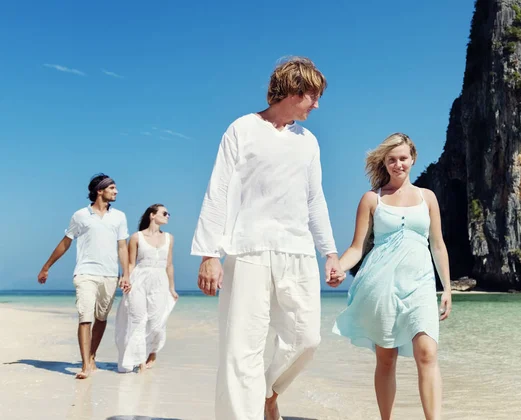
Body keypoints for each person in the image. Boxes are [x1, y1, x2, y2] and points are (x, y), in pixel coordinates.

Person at [191, 56, 345, 420]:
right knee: (240, 351)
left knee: (306, 339)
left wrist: (330, 251)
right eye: (313, 95)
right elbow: (218, 190)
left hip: (297, 251)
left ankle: (268, 391)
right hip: (248, 250)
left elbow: (314, 199)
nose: (317, 105)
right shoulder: (241, 129)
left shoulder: (308, 142)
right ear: (294, 89)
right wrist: (209, 253)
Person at [333, 133, 452, 420]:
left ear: (413, 159)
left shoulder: (428, 198)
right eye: (392, 160)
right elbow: (358, 246)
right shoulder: (372, 199)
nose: (398, 164)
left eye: (403, 158)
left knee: (427, 353)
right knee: (386, 358)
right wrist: (338, 266)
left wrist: (447, 288)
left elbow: (437, 244)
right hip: (380, 285)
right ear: (384, 163)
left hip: (421, 284)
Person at [37, 174, 130, 379]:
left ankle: (92, 355)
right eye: (112, 188)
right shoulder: (80, 215)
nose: (116, 191)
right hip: (85, 273)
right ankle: (86, 365)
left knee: (101, 318)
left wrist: (126, 274)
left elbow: (122, 246)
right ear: (100, 190)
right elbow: (66, 242)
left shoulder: (119, 217)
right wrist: (46, 267)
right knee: (84, 316)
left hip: (109, 274)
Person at [115, 204, 178, 373]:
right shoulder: (136, 237)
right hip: (139, 280)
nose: (168, 216)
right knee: (138, 319)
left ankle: (152, 352)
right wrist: (125, 278)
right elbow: (130, 263)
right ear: (152, 215)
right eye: (164, 213)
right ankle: (139, 360)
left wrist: (172, 288)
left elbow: (169, 265)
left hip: (160, 281)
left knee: (157, 322)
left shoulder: (169, 238)